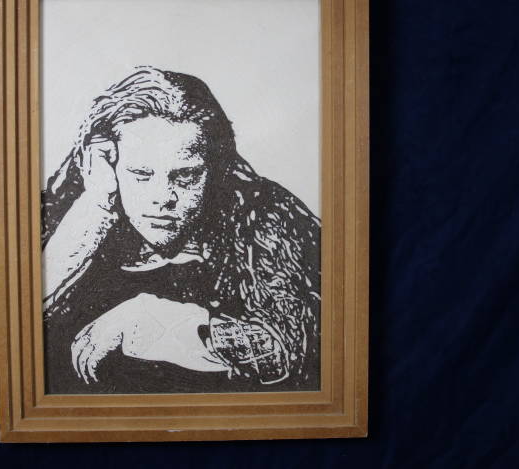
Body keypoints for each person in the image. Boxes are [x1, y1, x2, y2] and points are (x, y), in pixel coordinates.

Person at [42, 66, 321, 394]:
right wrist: (96, 206)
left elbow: (295, 352)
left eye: (186, 176)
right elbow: (15, 317)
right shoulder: (75, 195)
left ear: (215, 167)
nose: (163, 198)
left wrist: (166, 324)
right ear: (105, 158)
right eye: (141, 174)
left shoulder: (263, 211)